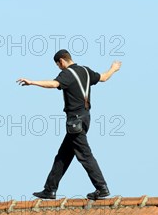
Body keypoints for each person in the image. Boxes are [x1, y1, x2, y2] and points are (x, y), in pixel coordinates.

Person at [16, 49, 122, 200]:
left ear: (62, 61)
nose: (59, 68)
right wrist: (113, 68)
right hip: (85, 119)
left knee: (85, 155)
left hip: (75, 121)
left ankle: (101, 188)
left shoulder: (67, 73)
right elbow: (104, 78)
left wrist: (33, 82)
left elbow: (54, 84)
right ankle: (50, 189)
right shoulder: (85, 71)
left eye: (58, 65)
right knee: (63, 155)